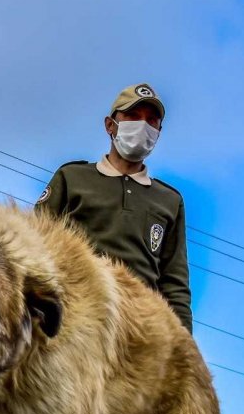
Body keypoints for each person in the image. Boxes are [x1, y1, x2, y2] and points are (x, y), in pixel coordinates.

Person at [34, 83, 193, 332]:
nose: (143, 126)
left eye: (152, 121)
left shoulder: (169, 200)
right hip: (74, 318)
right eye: (132, 116)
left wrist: (183, 345)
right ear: (110, 125)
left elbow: (174, 283)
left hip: (138, 329)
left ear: (159, 132)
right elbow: (33, 246)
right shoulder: (72, 177)